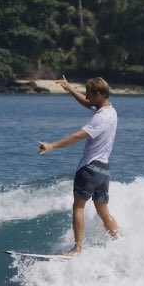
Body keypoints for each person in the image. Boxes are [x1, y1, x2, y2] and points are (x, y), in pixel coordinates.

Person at [38, 76, 120, 255]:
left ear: (98, 94)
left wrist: (52, 145)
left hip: (89, 169)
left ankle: (78, 248)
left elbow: (77, 136)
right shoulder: (111, 111)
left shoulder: (99, 119)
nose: (87, 98)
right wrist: (70, 89)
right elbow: (88, 103)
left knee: (78, 206)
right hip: (103, 171)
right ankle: (119, 243)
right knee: (103, 211)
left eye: (89, 95)